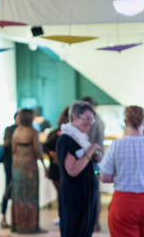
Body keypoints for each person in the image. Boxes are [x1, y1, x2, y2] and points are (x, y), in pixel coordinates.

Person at [100, 106, 144, 237]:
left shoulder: (115, 146)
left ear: (125, 122)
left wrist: (120, 175)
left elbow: (105, 178)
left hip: (123, 203)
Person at [56, 101, 102, 237]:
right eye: (87, 118)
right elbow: (72, 170)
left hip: (85, 193)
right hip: (74, 195)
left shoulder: (81, 138)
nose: (90, 122)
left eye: (92, 119)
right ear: (75, 116)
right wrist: (90, 152)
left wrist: (94, 157)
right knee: (74, 231)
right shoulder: (66, 139)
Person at [10, 109, 48, 234]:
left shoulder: (16, 131)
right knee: (31, 196)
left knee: (18, 196)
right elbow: (37, 151)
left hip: (17, 166)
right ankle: (31, 226)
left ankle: (18, 225)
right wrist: (44, 165)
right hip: (29, 167)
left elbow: (14, 150)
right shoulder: (33, 131)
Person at [81, 96, 105, 231]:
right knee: (94, 191)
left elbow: (86, 142)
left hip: (91, 161)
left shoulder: (91, 121)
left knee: (91, 192)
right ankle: (95, 222)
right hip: (96, 161)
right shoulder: (99, 119)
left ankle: (92, 223)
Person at [43, 106, 70, 226]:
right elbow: (46, 146)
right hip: (55, 165)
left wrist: (60, 156)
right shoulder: (53, 133)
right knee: (59, 192)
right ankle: (61, 215)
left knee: (66, 192)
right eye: (59, 118)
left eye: (61, 118)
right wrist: (51, 154)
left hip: (64, 165)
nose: (59, 120)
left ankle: (67, 214)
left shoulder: (68, 134)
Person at [0, 110, 19, 229]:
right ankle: (3, 217)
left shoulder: (26, 129)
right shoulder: (9, 129)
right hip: (9, 161)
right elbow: (10, 144)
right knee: (8, 187)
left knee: (18, 190)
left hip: (18, 163)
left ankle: (16, 218)